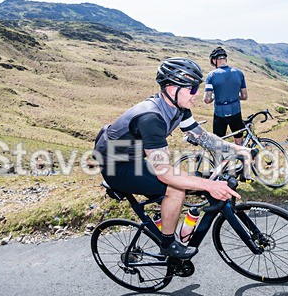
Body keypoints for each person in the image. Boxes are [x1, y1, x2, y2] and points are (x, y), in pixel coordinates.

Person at [94, 57, 248, 259]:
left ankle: (165, 222)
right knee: (175, 189)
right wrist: (209, 186)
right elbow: (164, 172)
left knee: (184, 181)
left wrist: (235, 149)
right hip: (116, 166)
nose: (197, 94)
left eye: (197, 87)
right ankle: (168, 244)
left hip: (132, 155)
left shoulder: (178, 108)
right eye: (191, 88)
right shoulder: (151, 118)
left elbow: (200, 136)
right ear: (170, 87)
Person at [203, 46, 248, 145]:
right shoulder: (239, 73)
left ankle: (222, 160)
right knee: (239, 143)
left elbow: (207, 99)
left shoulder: (211, 76)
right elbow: (244, 96)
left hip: (220, 114)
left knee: (218, 144)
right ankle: (241, 159)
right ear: (225, 59)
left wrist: (217, 96)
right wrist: (234, 95)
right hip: (236, 112)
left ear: (214, 60)